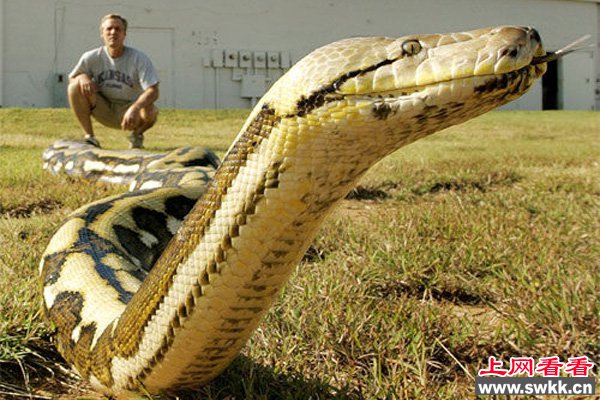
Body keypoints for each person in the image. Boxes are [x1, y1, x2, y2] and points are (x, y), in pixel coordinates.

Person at [68, 14, 159, 149]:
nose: (113, 32)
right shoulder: (91, 57)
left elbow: (153, 90)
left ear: (124, 34)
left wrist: (135, 107)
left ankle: (136, 135)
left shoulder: (139, 58)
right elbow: (72, 77)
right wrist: (83, 77)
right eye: (109, 29)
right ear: (102, 33)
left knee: (150, 108)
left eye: (118, 29)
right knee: (74, 86)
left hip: (130, 112)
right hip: (103, 107)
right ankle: (90, 138)